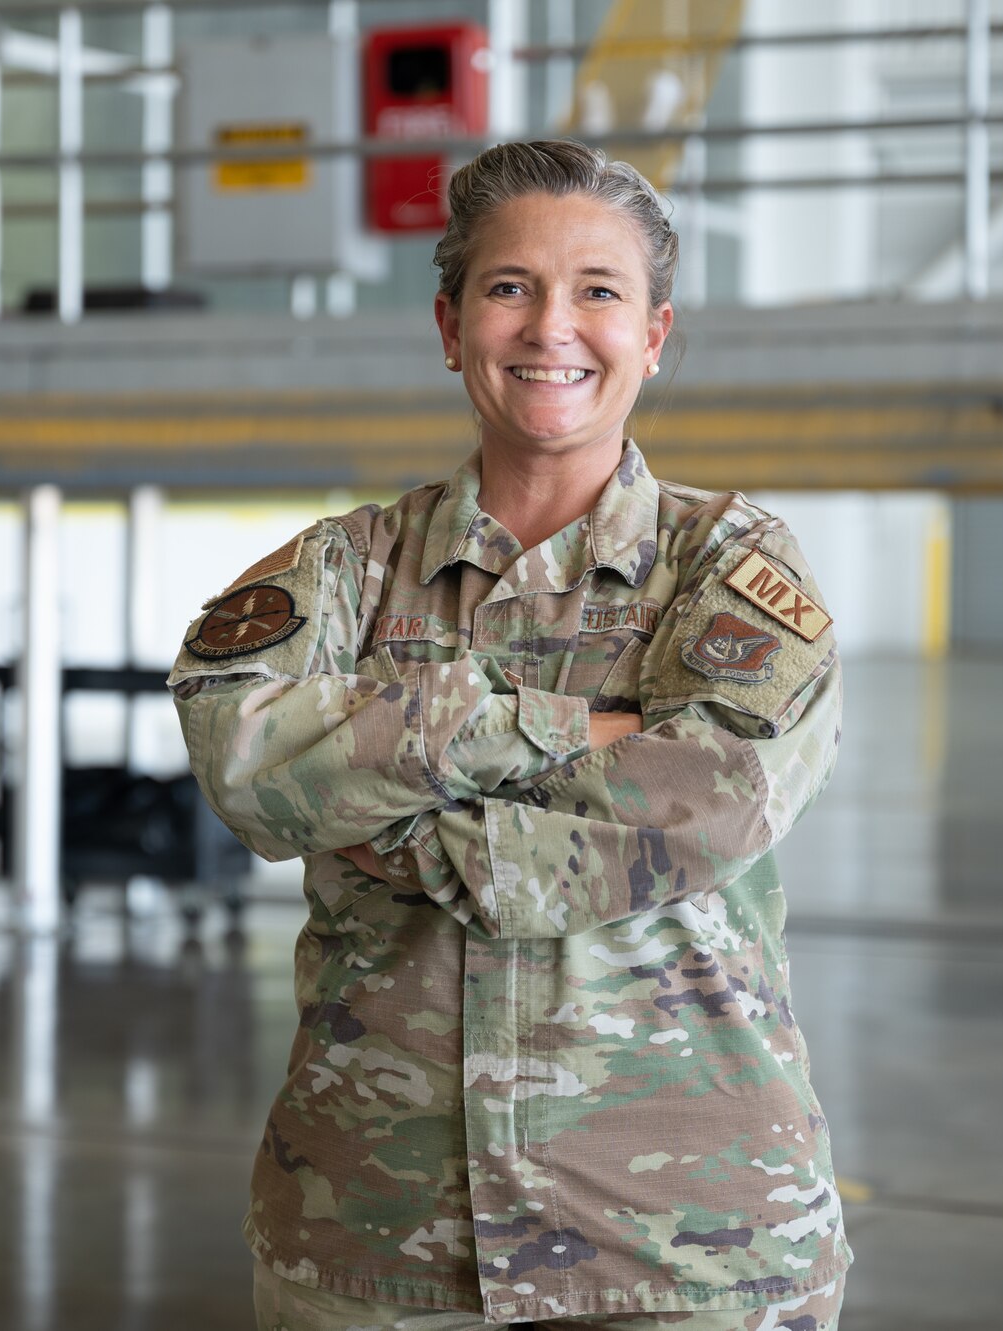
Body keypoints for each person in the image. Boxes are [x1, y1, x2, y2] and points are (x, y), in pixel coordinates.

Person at [169, 139, 850, 1331]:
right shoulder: (347, 567)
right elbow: (241, 757)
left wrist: (396, 813)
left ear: (654, 333)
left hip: (688, 1245)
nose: (551, 327)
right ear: (447, 323)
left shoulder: (731, 566)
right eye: (508, 287)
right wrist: (561, 728)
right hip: (376, 1238)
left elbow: (709, 800)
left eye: (599, 290)